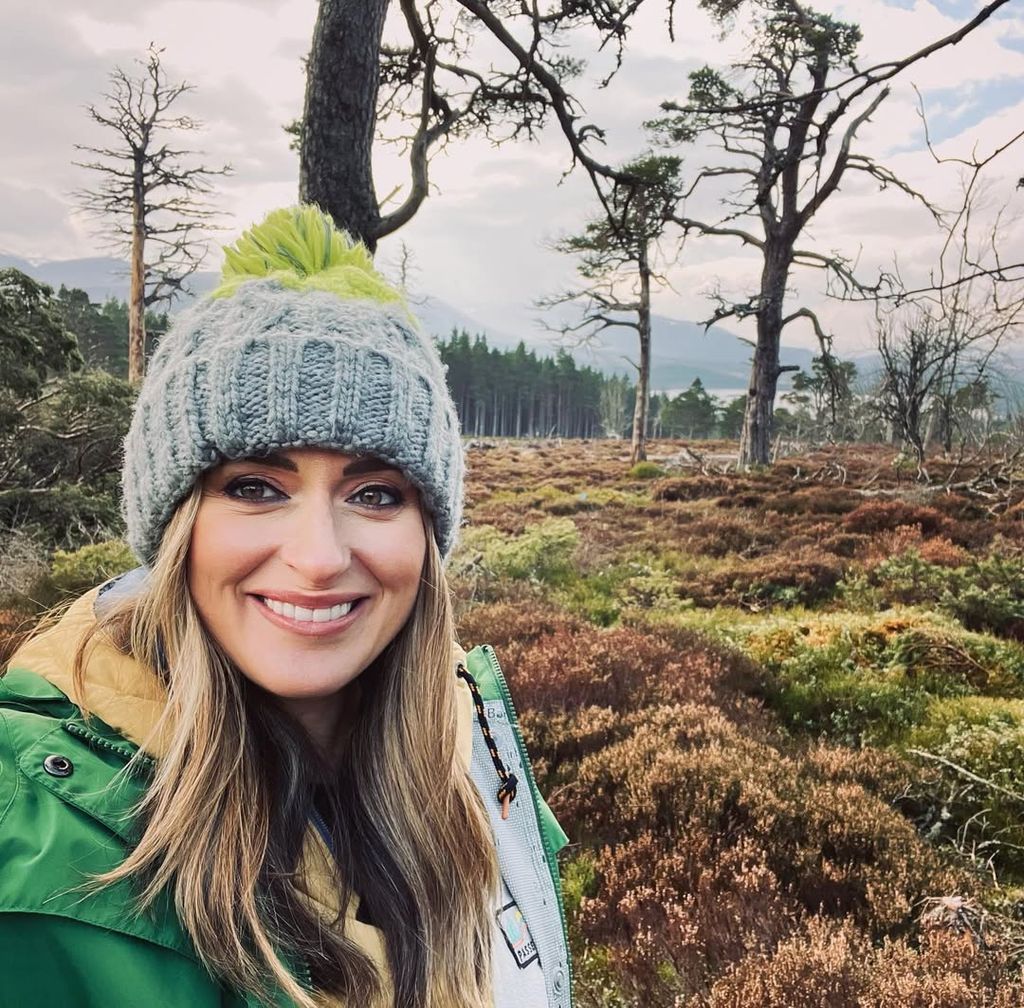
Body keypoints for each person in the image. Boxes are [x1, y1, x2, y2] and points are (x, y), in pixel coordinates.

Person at [0, 206, 572, 1008]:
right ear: (177, 530)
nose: (318, 557)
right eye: (256, 488)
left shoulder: (473, 760)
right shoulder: (28, 846)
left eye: (374, 493)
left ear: (427, 535)